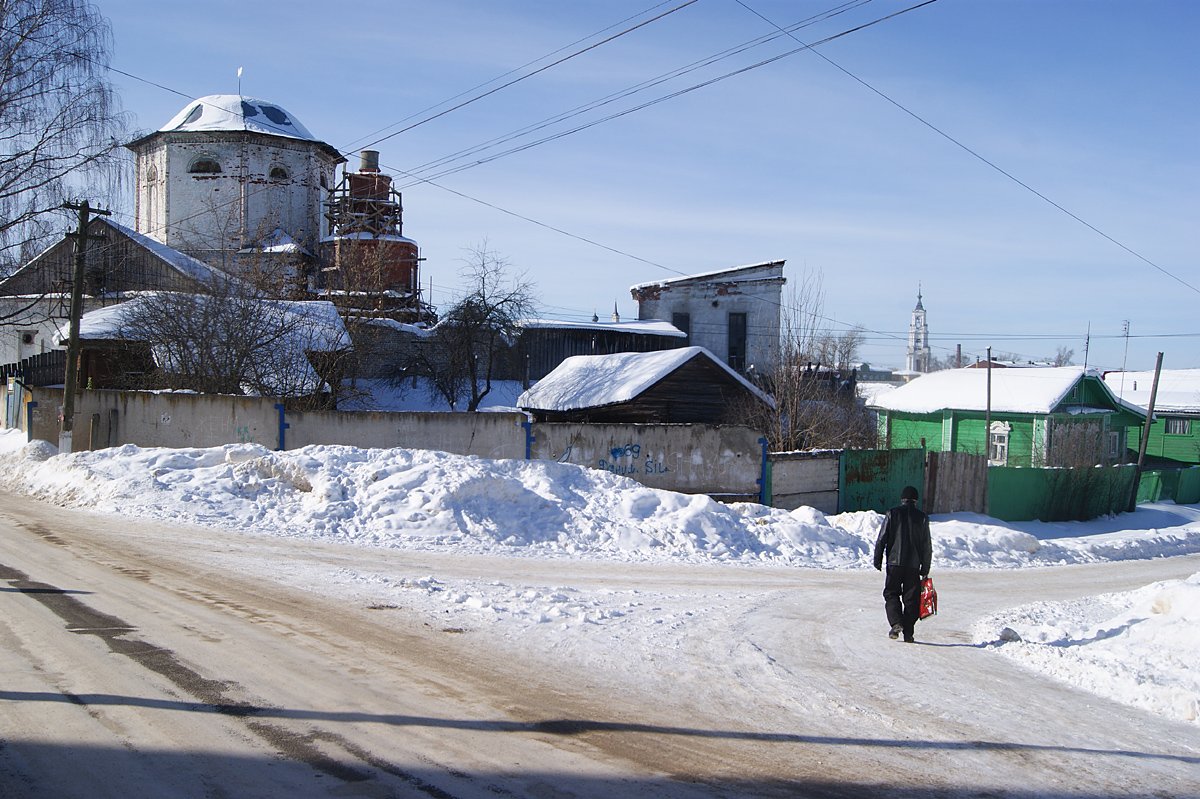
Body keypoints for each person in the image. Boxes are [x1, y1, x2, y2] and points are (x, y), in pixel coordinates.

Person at [873, 485, 932, 643]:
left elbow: (882, 538)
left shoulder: (893, 513)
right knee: (911, 599)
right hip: (913, 565)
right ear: (916, 500)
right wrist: (925, 567)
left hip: (894, 563)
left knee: (891, 593)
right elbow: (927, 546)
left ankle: (896, 622)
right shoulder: (922, 517)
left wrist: (877, 559)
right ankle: (909, 634)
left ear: (902, 499)